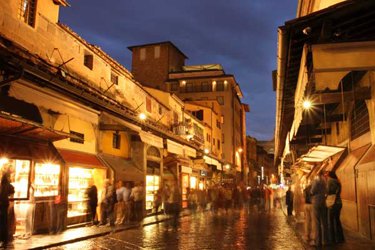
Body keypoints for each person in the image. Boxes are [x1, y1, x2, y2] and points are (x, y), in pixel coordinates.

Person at [310, 171, 330, 247]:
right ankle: (325, 240)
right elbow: (327, 191)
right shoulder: (325, 181)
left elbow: (312, 191)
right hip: (323, 201)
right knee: (324, 222)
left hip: (316, 202)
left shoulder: (317, 180)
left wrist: (312, 193)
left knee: (317, 222)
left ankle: (318, 242)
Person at [326, 171, 345, 244]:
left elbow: (328, 191)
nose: (326, 176)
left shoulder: (330, 181)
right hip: (339, 202)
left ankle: (332, 239)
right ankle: (340, 238)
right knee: (337, 220)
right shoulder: (338, 181)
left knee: (330, 221)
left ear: (330, 175)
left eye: (327, 175)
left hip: (332, 203)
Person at [0, 172, 15, 248]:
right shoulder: (9, 185)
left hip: (1, 205)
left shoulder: (1, 185)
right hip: (5, 205)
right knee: (4, 223)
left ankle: (2, 239)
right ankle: (4, 240)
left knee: (1, 223)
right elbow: (12, 191)